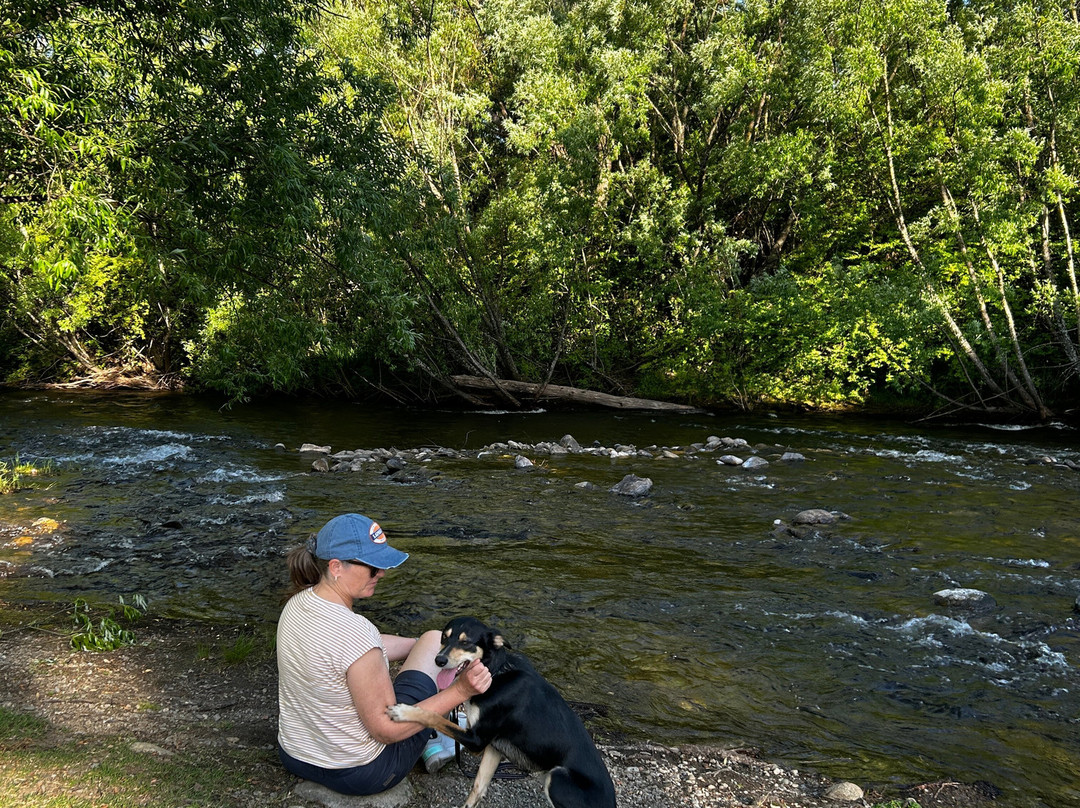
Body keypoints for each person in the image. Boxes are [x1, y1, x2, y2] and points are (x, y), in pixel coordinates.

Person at [276, 512, 492, 795]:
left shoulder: (298, 603)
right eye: (372, 567)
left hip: (295, 755)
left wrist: (422, 646)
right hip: (365, 772)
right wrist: (460, 692)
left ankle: (435, 698)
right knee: (432, 655)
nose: (382, 573)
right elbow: (386, 730)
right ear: (336, 566)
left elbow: (352, 652)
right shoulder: (355, 632)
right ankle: (440, 730)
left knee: (430, 641)